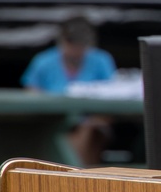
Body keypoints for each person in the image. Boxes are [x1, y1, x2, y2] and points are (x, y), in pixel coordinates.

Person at [21, 16, 117, 165]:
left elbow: (112, 98)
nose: (75, 49)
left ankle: (76, 176)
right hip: (52, 122)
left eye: (80, 44)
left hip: (89, 123)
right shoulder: (43, 61)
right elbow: (31, 92)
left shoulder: (101, 60)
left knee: (89, 131)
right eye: (71, 42)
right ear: (62, 40)